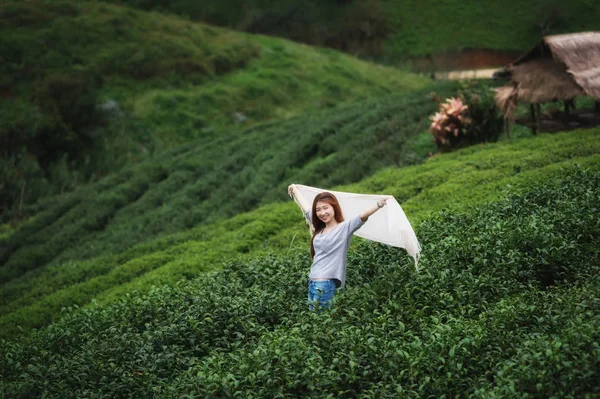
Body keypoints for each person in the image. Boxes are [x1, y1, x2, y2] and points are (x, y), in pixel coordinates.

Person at [288, 184, 388, 310]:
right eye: (318, 210)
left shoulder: (343, 228)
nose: (322, 213)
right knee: (314, 321)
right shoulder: (319, 228)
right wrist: (295, 190)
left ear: (334, 207)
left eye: (325, 208)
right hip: (312, 282)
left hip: (325, 284)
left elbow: (362, 216)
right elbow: (307, 208)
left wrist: (379, 204)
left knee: (321, 320)